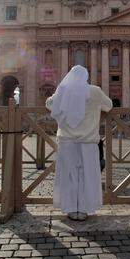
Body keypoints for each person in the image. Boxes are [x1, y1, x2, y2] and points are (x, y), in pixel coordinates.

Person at [45, 65, 112, 221]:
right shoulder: (94, 91)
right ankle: (84, 209)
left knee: (69, 176)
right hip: (88, 142)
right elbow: (109, 105)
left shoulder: (63, 91)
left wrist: (61, 90)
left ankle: (70, 208)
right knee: (86, 175)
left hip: (67, 141)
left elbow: (49, 104)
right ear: (86, 77)